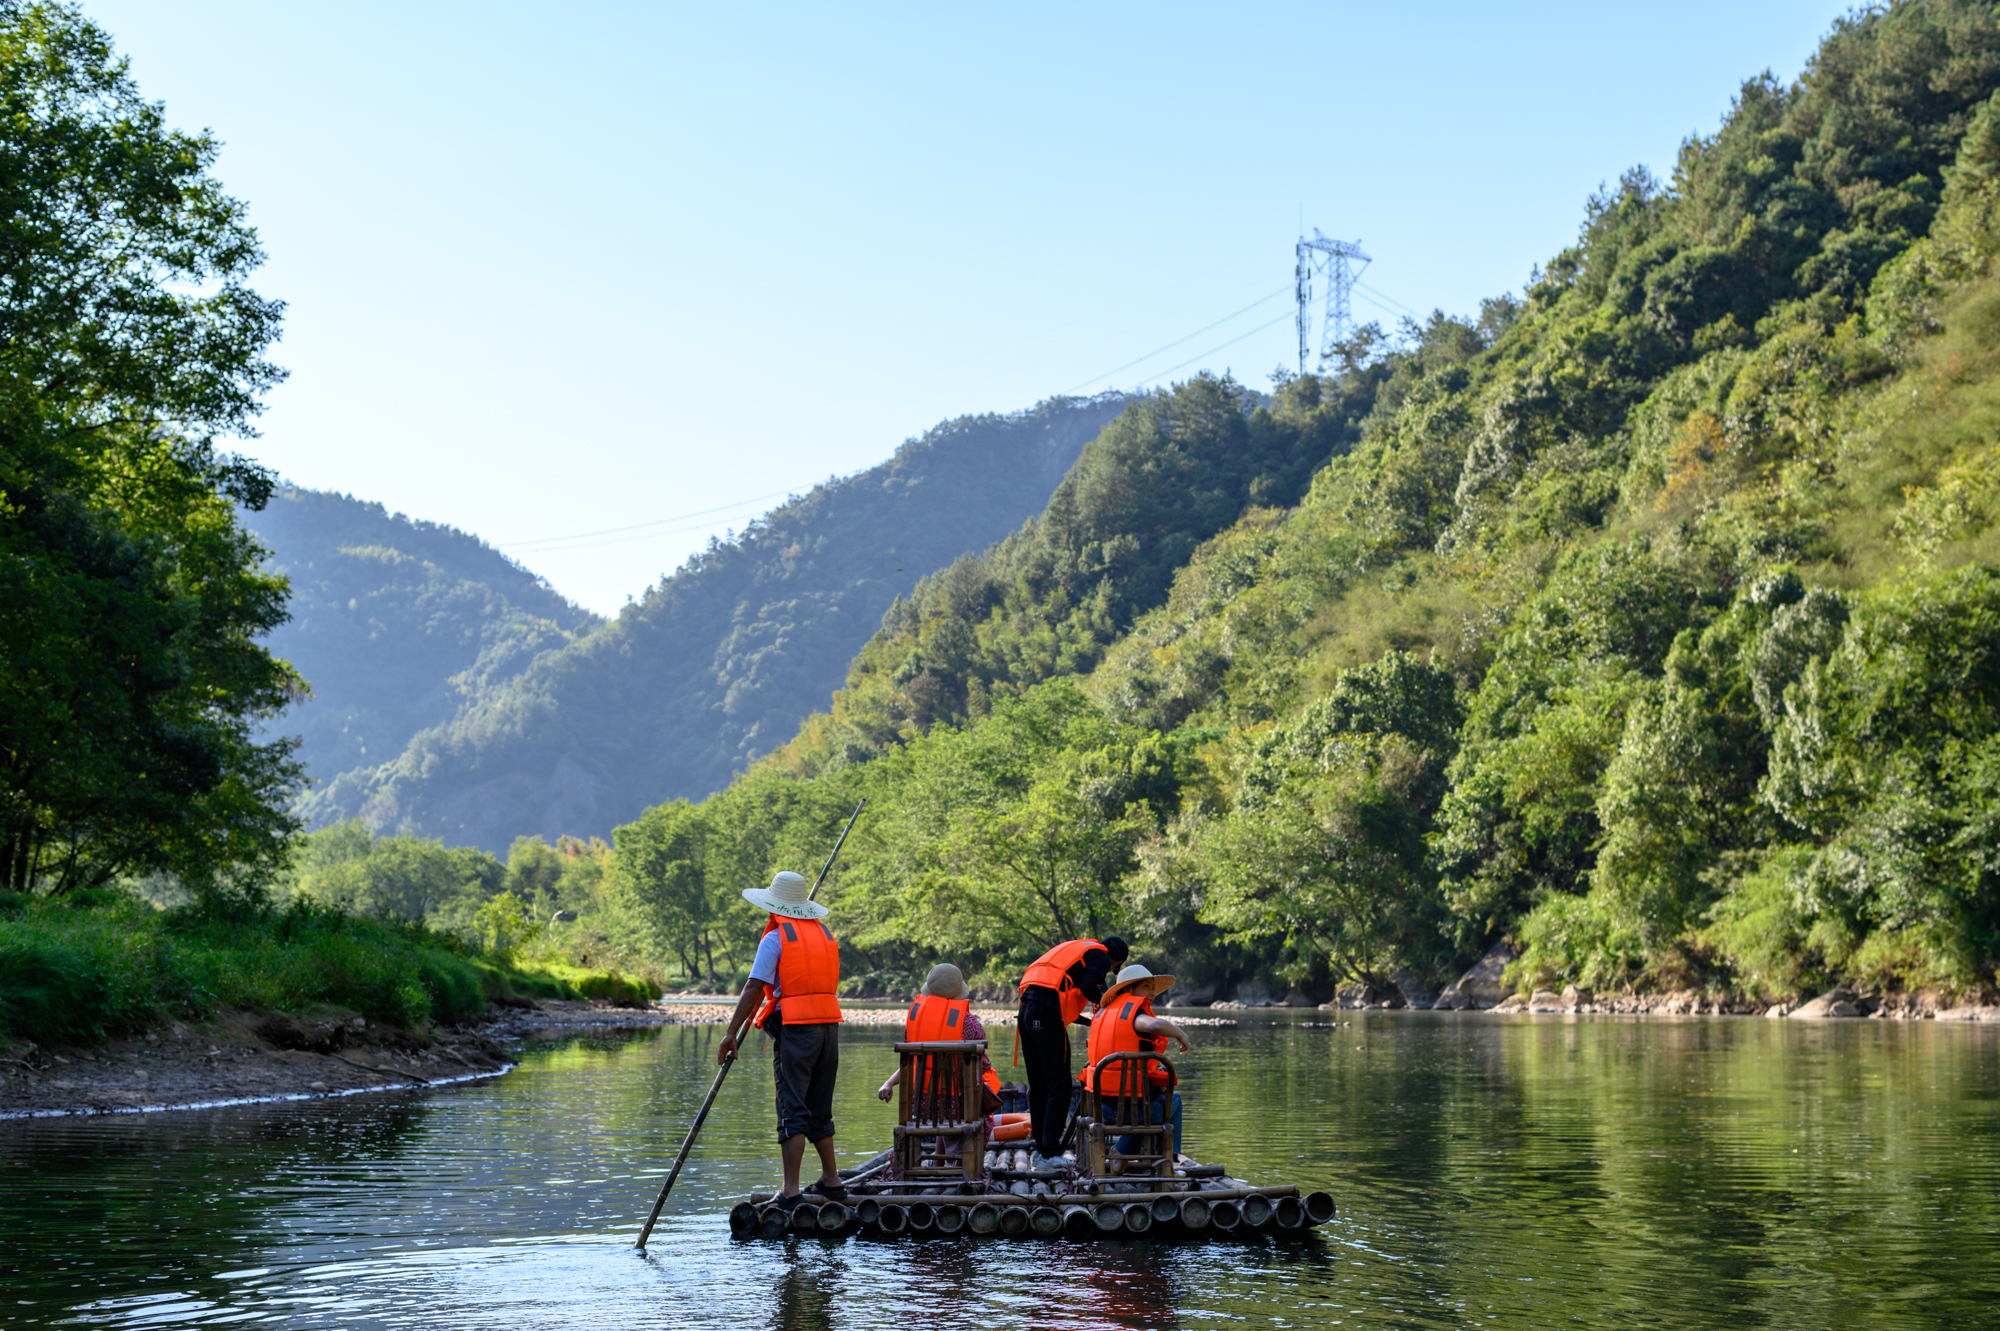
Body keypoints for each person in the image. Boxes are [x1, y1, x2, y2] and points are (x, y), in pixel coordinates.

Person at [717, 870, 843, 1213]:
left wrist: (731, 1033)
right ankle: (832, 1180)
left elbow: (754, 987)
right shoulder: (824, 933)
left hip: (798, 1030)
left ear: (775, 904)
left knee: (792, 1106)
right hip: (829, 1027)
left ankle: (789, 1190)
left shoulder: (775, 938)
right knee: (820, 1104)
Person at [1015, 935, 1128, 1167]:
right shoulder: (1101, 957)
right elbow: (1089, 987)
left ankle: (1041, 1148)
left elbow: (1063, 1006)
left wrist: (1092, 1022)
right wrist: (1109, 1005)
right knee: (1060, 1085)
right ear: (1115, 963)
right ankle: (1050, 1152)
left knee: (1038, 1084)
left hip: (1027, 1010)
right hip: (1045, 1014)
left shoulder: (1077, 952)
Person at [1084, 963, 1189, 1162]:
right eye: (1146, 986)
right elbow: (1156, 1024)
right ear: (1128, 989)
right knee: (1173, 1101)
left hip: (1099, 1110)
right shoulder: (1135, 1016)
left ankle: (1121, 1160)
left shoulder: (1102, 1014)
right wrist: (1181, 1034)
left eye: (1152, 988)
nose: (1151, 993)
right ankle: (1169, 1160)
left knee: (1142, 1107)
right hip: (1128, 1113)